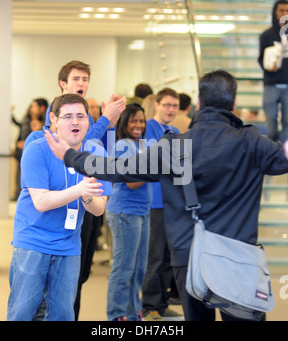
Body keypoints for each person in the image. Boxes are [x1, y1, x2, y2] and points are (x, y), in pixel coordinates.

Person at [45, 69, 288, 321]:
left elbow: (117, 169)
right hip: (239, 256)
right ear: (234, 104)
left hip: (189, 256)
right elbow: (283, 158)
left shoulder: (174, 147)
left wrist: (72, 157)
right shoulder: (252, 142)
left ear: (199, 103)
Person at [24, 60, 126, 321]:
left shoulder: (91, 135)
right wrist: (105, 119)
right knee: (29, 306)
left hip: (76, 226)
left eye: (85, 79)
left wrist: (110, 125)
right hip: (38, 235)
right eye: (76, 78)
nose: (81, 83)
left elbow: (98, 148)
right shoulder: (42, 139)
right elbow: (42, 200)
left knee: (71, 291)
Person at [7, 93, 112, 321]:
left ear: (88, 121)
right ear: (53, 118)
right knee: (24, 312)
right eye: (68, 116)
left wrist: (85, 197)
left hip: (69, 245)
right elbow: (41, 202)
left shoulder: (97, 154)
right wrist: (79, 190)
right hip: (33, 242)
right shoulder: (37, 149)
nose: (75, 122)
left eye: (81, 116)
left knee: (63, 314)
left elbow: (98, 209)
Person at [106, 103, 152, 321]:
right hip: (125, 212)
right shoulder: (123, 145)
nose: (139, 125)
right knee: (124, 270)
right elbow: (132, 182)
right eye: (134, 120)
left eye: (141, 121)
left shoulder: (139, 145)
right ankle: (117, 315)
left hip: (142, 212)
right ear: (124, 123)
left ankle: (134, 314)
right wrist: (159, 167)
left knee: (138, 270)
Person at [139, 87, 182, 321]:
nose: (171, 110)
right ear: (156, 105)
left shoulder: (174, 130)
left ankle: (162, 304)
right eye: (167, 105)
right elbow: (155, 161)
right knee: (154, 256)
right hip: (154, 202)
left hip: (172, 202)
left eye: (174, 106)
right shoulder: (148, 128)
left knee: (168, 257)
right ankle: (149, 306)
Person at [258, 0, 288, 142]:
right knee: (270, 120)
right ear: (275, 12)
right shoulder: (266, 36)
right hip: (271, 85)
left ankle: (284, 152)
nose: (284, 14)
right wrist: (268, 67)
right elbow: (260, 59)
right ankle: (273, 147)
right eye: (281, 10)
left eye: (287, 11)